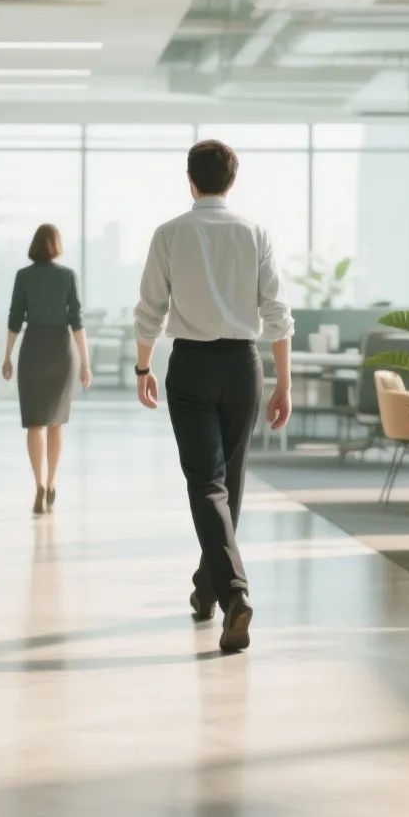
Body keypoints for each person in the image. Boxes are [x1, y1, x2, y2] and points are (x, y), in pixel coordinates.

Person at [131, 140, 293, 654]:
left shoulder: (169, 233)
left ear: (190, 179)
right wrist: (284, 383)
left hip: (192, 366)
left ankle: (233, 593)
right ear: (232, 179)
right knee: (230, 481)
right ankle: (209, 588)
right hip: (244, 366)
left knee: (206, 483)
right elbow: (277, 313)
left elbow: (149, 309)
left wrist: (142, 366)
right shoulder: (255, 233)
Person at [0, 223, 92, 517]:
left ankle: (38, 484)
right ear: (56, 244)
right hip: (61, 351)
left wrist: (6, 356)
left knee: (35, 423)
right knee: (56, 422)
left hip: (33, 349)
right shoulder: (67, 277)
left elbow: (15, 318)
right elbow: (77, 321)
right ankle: (51, 482)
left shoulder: (23, 277)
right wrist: (85, 362)